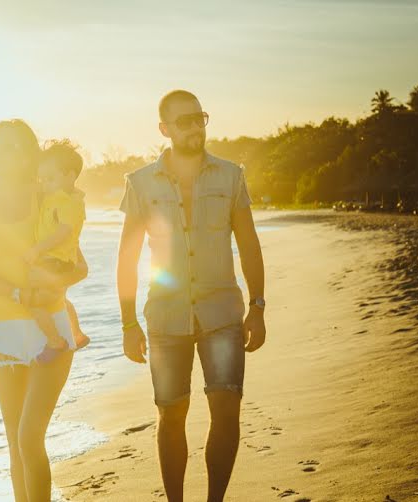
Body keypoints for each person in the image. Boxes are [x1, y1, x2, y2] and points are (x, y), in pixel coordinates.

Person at [116, 90, 266, 502]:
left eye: (200, 117)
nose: (195, 126)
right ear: (164, 129)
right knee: (171, 414)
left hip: (222, 312)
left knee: (226, 409)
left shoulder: (230, 176)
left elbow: (249, 245)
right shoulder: (141, 183)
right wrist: (128, 323)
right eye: (184, 121)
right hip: (165, 317)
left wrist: (258, 306)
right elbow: (127, 257)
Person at [0, 119, 89, 501]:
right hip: (3, 330)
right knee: (15, 443)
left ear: (31, 153)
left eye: (20, 147)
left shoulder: (45, 199)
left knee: (30, 437)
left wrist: (46, 288)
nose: (12, 155)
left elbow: (79, 267)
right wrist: (19, 293)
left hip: (52, 331)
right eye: (3, 146)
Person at [22, 140, 91, 363]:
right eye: (43, 179)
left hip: (56, 259)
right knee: (58, 296)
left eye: (50, 179)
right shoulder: (56, 197)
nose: (45, 184)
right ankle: (77, 334)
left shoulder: (69, 203)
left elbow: (64, 232)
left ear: (70, 176)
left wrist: (37, 249)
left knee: (31, 298)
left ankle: (55, 341)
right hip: (56, 258)